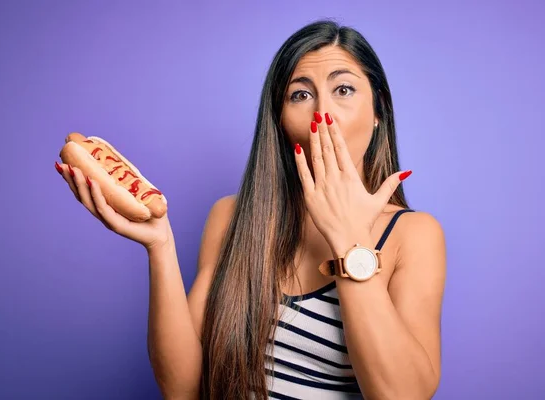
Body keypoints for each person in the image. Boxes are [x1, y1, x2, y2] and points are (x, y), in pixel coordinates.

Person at [55, 19, 446, 400]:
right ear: (279, 119)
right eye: (301, 95)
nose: (321, 114)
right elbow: (181, 389)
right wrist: (160, 246)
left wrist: (348, 239)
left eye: (343, 89)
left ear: (378, 112)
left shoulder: (414, 235)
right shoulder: (231, 218)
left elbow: (402, 394)